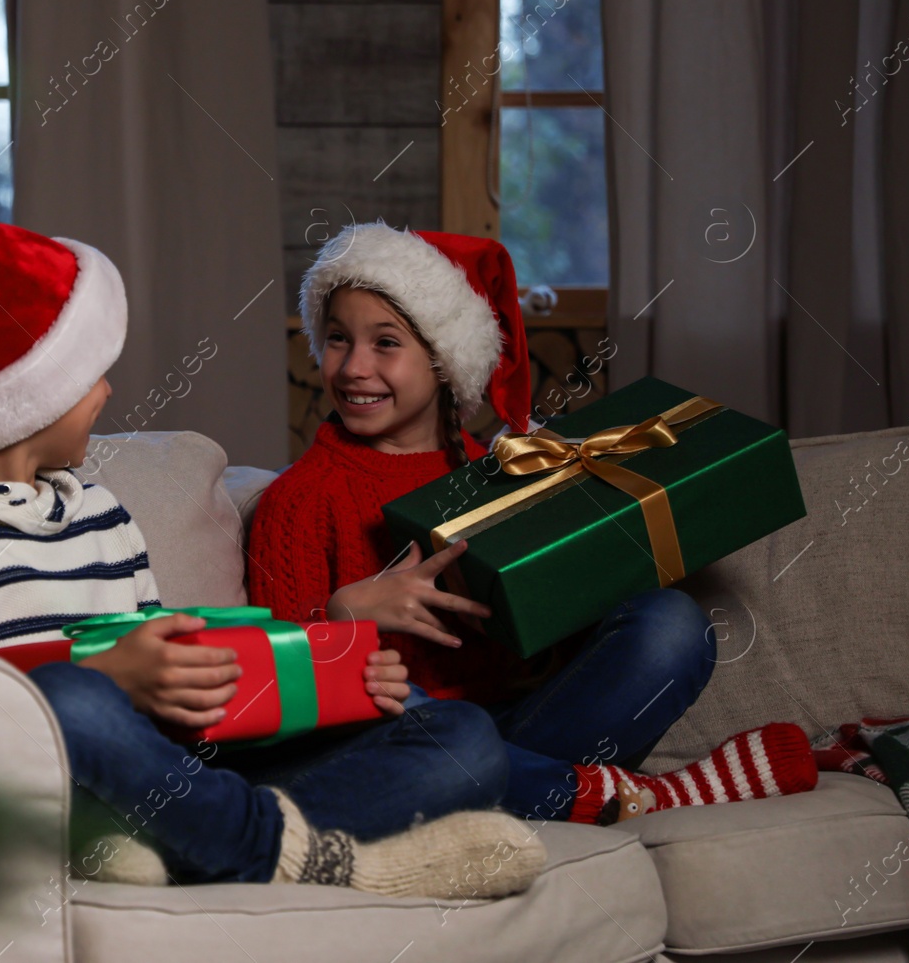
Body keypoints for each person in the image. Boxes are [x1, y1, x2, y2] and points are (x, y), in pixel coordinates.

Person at [0, 218, 545, 894]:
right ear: (26, 397)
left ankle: (189, 842)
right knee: (76, 699)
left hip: (174, 775)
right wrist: (107, 677)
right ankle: (296, 855)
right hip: (40, 787)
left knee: (465, 740)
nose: (104, 391)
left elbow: (186, 670)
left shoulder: (100, 511)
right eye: (87, 375)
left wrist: (330, 674)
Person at [247, 223, 818, 825]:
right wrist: (347, 613)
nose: (354, 366)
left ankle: (520, 788)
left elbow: (555, 635)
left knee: (675, 624)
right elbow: (274, 702)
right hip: (414, 737)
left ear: (444, 360)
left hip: (528, 725)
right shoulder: (299, 499)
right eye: (337, 339)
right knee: (436, 724)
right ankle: (636, 796)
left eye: (385, 343)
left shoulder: (510, 470)